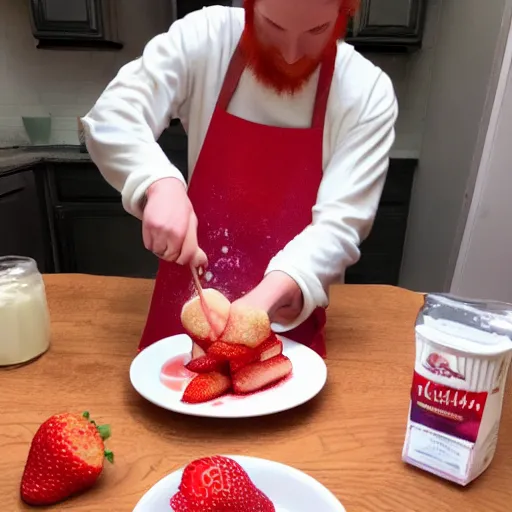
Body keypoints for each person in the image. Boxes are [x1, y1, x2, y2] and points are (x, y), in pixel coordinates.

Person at [81, 0, 398, 357]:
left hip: (284, 323)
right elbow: (112, 116)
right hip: (182, 316)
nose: (291, 55)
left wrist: (256, 308)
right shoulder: (207, 37)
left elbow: (341, 225)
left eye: (317, 31)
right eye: (273, 27)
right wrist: (158, 182)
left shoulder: (365, 91)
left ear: (345, 15)